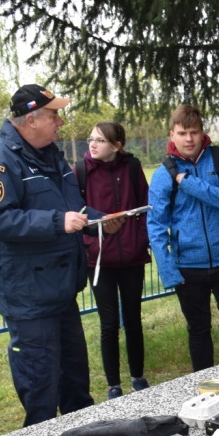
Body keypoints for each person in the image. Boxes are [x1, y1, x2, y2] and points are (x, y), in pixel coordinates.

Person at [0, 84, 118, 426]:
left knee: (76, 387)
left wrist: (99, 220)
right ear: (31, 120)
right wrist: (56, 222)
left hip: (61, 289)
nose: (60, 122)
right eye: (54, 115)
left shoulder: (51, 155)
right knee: (41, 392)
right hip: (29, 297)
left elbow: (72, 208)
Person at [146, 104, 219, 371]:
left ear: (202, 132)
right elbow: (156, 226)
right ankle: (204, 387)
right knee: (198, 330)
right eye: (182, 133)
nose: (189, 139)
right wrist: (169, 271)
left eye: (194, 132)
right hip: (188, 266)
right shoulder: (164, 174)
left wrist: (189, 183)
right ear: (171, 134)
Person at [78, 122, 151, 400]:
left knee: (133, 319)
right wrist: (91, 242)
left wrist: (140, 239)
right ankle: (113, 385)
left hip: (132, 257)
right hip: (99, 260)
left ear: (116, 145)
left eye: (100, 140)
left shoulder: (132, 167)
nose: (92, 144)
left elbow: (146, 206)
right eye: (91, 139)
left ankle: (137, 376)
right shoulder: (81, 170)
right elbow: (77, 210)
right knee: (108, 323)